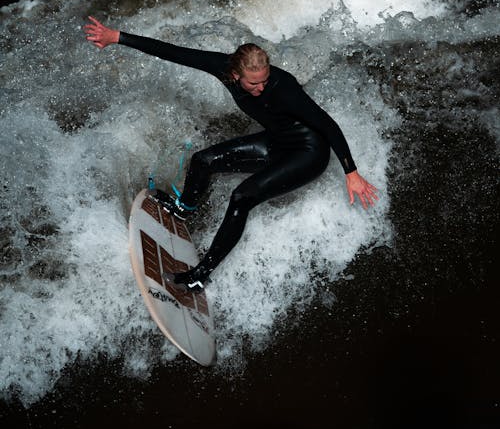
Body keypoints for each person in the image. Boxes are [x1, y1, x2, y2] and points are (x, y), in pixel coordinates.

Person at [84, 16, 378, 292]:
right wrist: (117, 37)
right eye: (253, 83)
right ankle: (183, 210)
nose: (261, 88)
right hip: (278, 142)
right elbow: (175, 52)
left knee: (241, 198)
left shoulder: (283, 87)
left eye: (264, 79)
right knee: (203, 161)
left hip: (308, 153)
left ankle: (201, 276)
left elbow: (326, 123)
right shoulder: (223, 68)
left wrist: (351, 173)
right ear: (236, 74)